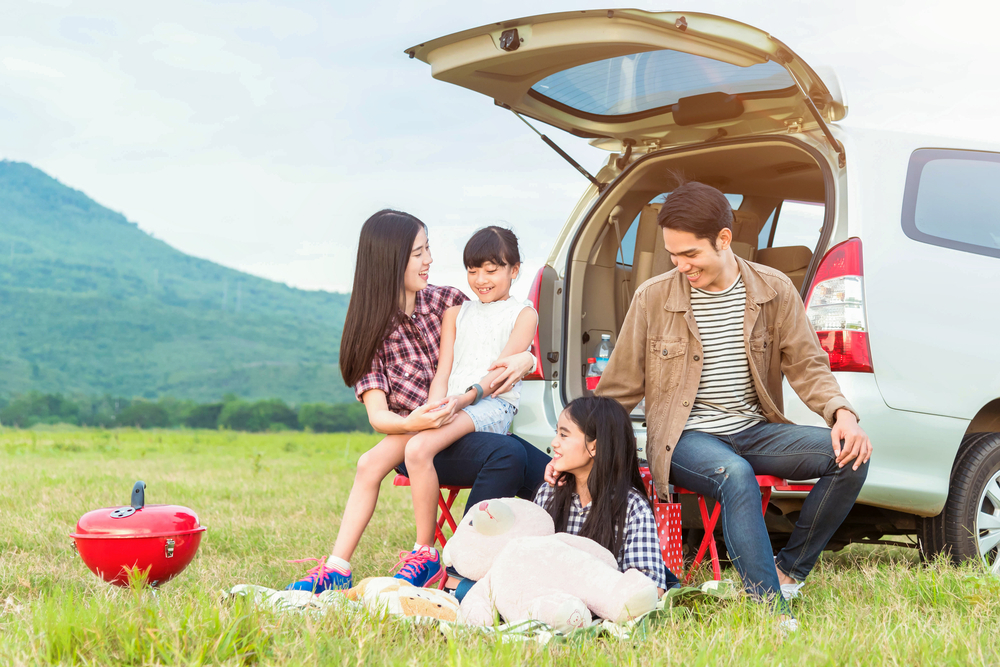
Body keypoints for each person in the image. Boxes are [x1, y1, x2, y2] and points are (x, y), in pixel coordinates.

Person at [592, 181, 872, 624]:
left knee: (850, 455)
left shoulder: (773, 289)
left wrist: (842, 414)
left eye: (690, 254)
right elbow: (618, 387)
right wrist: (584, 442)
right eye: (673, 255)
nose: (681, 265)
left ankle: (787, 572)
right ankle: (768, 609)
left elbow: (807, 364)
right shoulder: (653, 298)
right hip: (685, 438)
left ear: (723, 239)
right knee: (735, 475)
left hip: (754, 429)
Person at [286, 209, 549, 593]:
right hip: (421, 431)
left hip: (463, 419)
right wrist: (418, 422)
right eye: (418, 253)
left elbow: (499, 330)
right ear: (390, 261)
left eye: (428, 249)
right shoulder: (369, 332)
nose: (430, 261)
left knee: (538, 465)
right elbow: (380, 417)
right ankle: (355, 564)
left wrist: (527, 357)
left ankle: (552, 541)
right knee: (375, 461)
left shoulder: (449, 301)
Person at [398, 225, 537, 587]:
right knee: (417, 444)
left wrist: (461, 400)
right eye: (473, 270)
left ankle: (439, 553)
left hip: (492, 405)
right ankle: (427, 552)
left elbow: (498, 375)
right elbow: (443, 370)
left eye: (492, 270)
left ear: (514, 270)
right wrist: (434, 408)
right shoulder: (454, 314)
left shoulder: (524, 314)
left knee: (419, 447)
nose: (480, 279)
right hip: (453, 405)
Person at [534, 397, 680, 595]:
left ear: (594, 447)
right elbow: (528, 561)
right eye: (556, 433)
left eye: (563, 435)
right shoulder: (548, 493)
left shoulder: (632, 506)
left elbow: (650, 587)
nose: (554, 443)